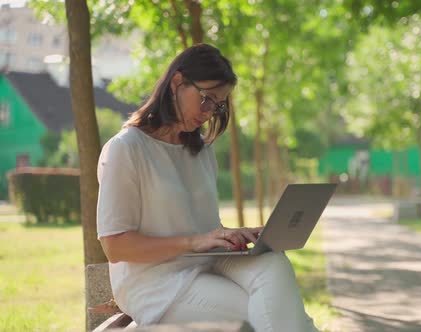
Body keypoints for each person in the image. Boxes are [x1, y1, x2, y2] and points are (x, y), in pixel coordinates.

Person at [96, 43, 319, 331]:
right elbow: (114, 246)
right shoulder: (126, 149)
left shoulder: (200, 151)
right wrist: (194, 241)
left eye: (219, 104)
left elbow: (197, 223)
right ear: (177, 82)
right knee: (266, 316)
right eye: (207, 99)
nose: (210, 112)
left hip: (206, 262)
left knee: (274, 263)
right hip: (155, 283)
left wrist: (228, 235)